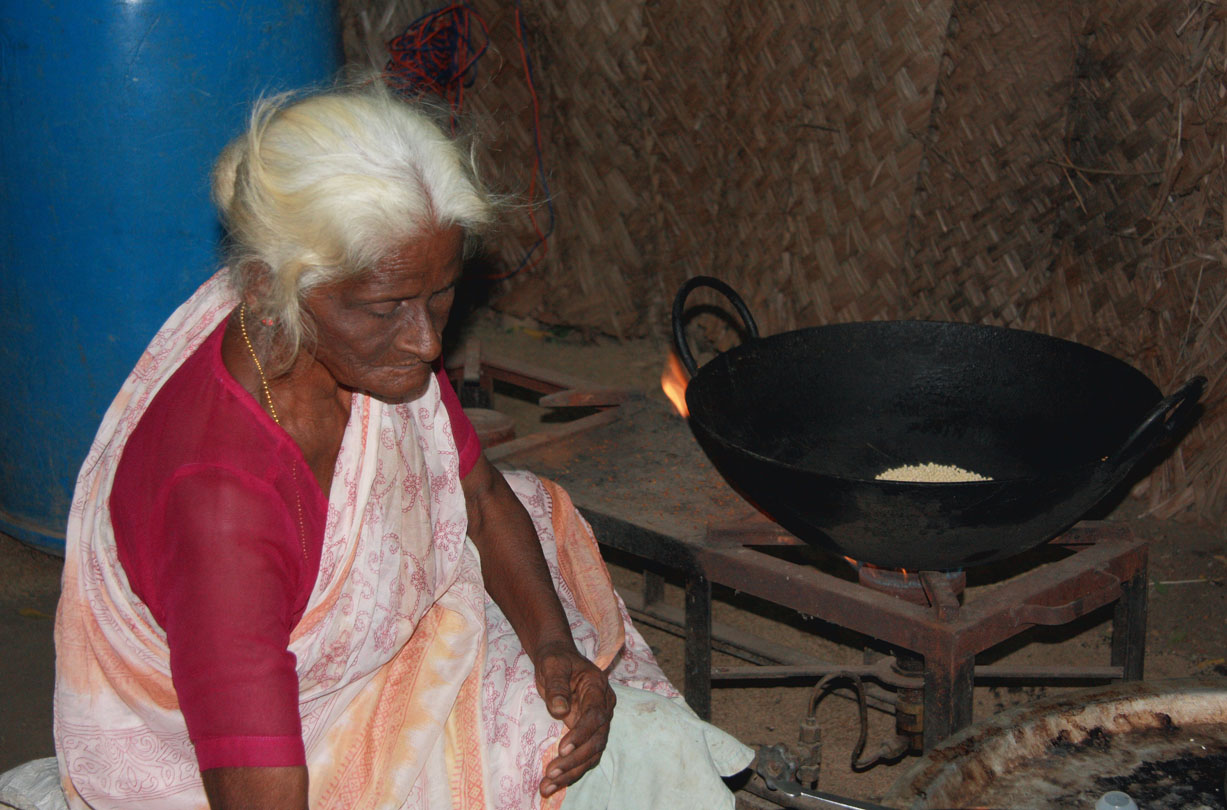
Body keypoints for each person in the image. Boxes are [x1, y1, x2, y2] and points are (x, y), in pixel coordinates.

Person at [50, 79, 751, 810]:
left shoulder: (350, 345)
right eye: (387, 306)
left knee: (650, 740)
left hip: (374, 670)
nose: (426, 341)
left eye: (441, 294)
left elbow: (476, 498)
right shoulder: (222, 503)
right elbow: (257, 785)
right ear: (265, 290)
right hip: (251, 760)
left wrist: (552, 649)